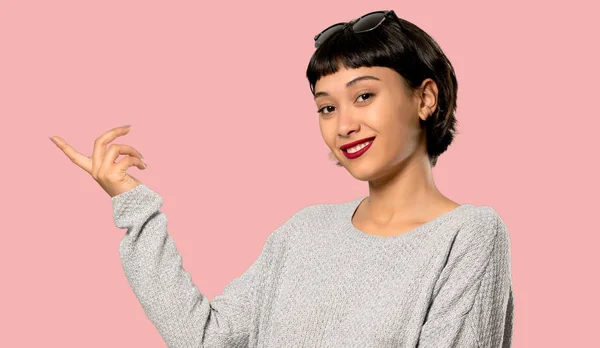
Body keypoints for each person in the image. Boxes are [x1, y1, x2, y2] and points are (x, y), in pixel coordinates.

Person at [50, 9, 514, 348]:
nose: (343, 124)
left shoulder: (469, 234)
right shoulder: (304, 231)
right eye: (326, 107)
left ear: (425, 98)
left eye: (364, 95)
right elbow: (205, 339)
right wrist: (133, 204)